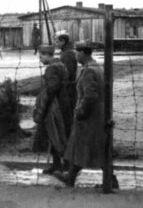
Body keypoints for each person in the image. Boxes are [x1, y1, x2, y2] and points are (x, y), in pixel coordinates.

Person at [54, 42, 117, 187]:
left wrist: (80, 111)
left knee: (88, 145)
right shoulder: (96, 67)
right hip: (97, 113)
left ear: (84, 53)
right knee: (87, 145)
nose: (76, 55)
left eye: (77, 52)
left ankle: (109, 180)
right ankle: (72, 176)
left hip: (90, 115)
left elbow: (89, 95)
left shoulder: (89, 70)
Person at [33, 45, 73, 174]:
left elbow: (51, 89)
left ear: (47, 55)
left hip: (55, 104)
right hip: (64, 101)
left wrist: (43, 108)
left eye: (41, 56)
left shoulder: (51, 68)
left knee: (55, 133)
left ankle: (61, 164)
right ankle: (61, 163)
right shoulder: (61, 65)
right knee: (61, 132)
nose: (40, 59)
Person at [55, 30, 77, 120]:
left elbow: (69, 72)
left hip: (68, 88)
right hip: (68, 87)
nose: (55, 43)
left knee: (67, 112)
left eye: (57, 41)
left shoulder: (67, 54)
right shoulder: (66, 52)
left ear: (63, 41)